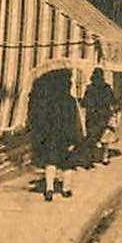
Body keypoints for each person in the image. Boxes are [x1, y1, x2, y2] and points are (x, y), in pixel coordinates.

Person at [27, 67, 84, 201]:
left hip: (51, 137)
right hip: (66, 137)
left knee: (50, 162)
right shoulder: (70, 101)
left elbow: (42, 120)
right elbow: (74, 121)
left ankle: (49, 188)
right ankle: (66, 189)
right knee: (68, 164)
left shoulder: (48, 100)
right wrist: (75, 139)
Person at [81, 67, 118, 165]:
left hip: (92, 116)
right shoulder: (107, 88)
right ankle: (104, 157)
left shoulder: (90, 88)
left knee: (92, 136)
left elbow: (84, 103)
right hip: (104, 116)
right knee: (105, 137)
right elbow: (113, 101)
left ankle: (92, 158)